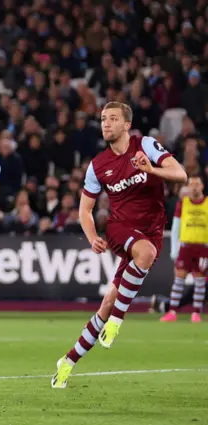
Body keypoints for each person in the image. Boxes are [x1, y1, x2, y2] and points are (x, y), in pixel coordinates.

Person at [51, 102, 187, 389]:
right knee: (145, 254)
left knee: (108, 303)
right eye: (102, 119)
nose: (106, 123)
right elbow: (84, 211)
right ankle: (117, 323)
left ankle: (67, 362)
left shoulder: (146, 146)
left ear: (127, 125)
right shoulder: (98, 166)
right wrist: (91, 238)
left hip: (151, 229)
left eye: (113, 118)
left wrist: (152, 169)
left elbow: (180, 175)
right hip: (119, 228)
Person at [161, 175, 207, 323]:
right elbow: (176, 227)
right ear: (188, 187)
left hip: (202, 248)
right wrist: (174, 249)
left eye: (197, 184)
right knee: (179, 279)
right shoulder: (183, 203)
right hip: (186, 247)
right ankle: (172, 312)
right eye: (191, 184)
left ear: (202, 187)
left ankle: (196, 313)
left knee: (199, 281)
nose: (194, 187)